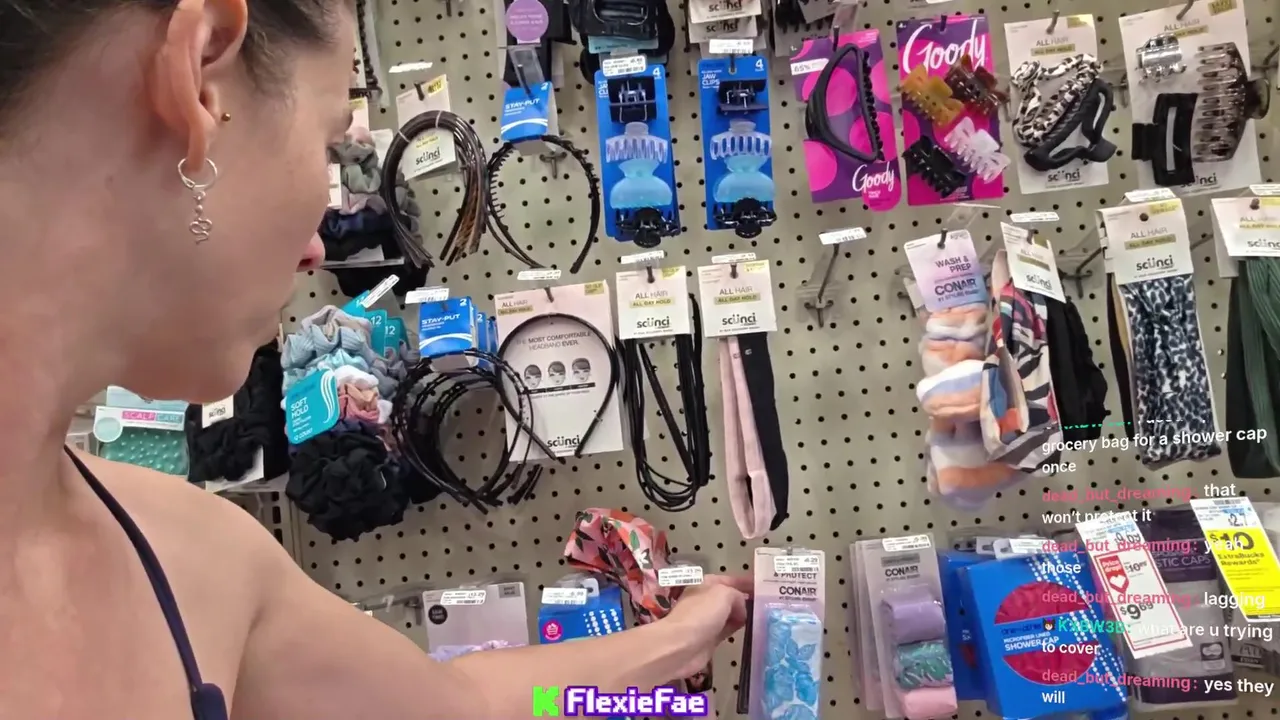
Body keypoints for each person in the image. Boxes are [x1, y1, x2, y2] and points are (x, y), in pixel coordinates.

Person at [0, 1, 752, 719]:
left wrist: (680, 640)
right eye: (330, 147)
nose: (317, 250)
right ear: (202, 74)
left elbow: (466, 709)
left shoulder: (189, 558)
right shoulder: (186, 557)